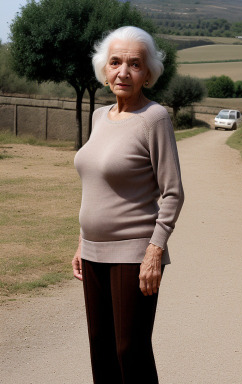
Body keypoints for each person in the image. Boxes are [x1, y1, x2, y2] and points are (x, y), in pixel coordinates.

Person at [72, 26, 184, 384]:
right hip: (92, 251)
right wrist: (81, 241)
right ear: (104, 70)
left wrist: (154, 251)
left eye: (135, 64)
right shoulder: (99, 117)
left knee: (129, 350)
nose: (123, 71)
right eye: (116, 62)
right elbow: (95, 185)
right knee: (100, 348)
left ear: (147, 74)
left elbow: (173, 192)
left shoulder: (154, 118)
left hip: (134, 254)